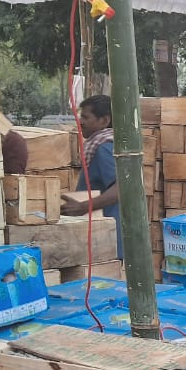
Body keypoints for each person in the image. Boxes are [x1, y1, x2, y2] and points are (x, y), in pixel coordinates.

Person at [61, 94, 122, 259]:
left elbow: (120, 190)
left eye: (86, 117)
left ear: (104, 121)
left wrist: (82, 207)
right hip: (102, 234)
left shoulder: (104, 148)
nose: (80, 122)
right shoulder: (104, 145)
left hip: (106, 235)